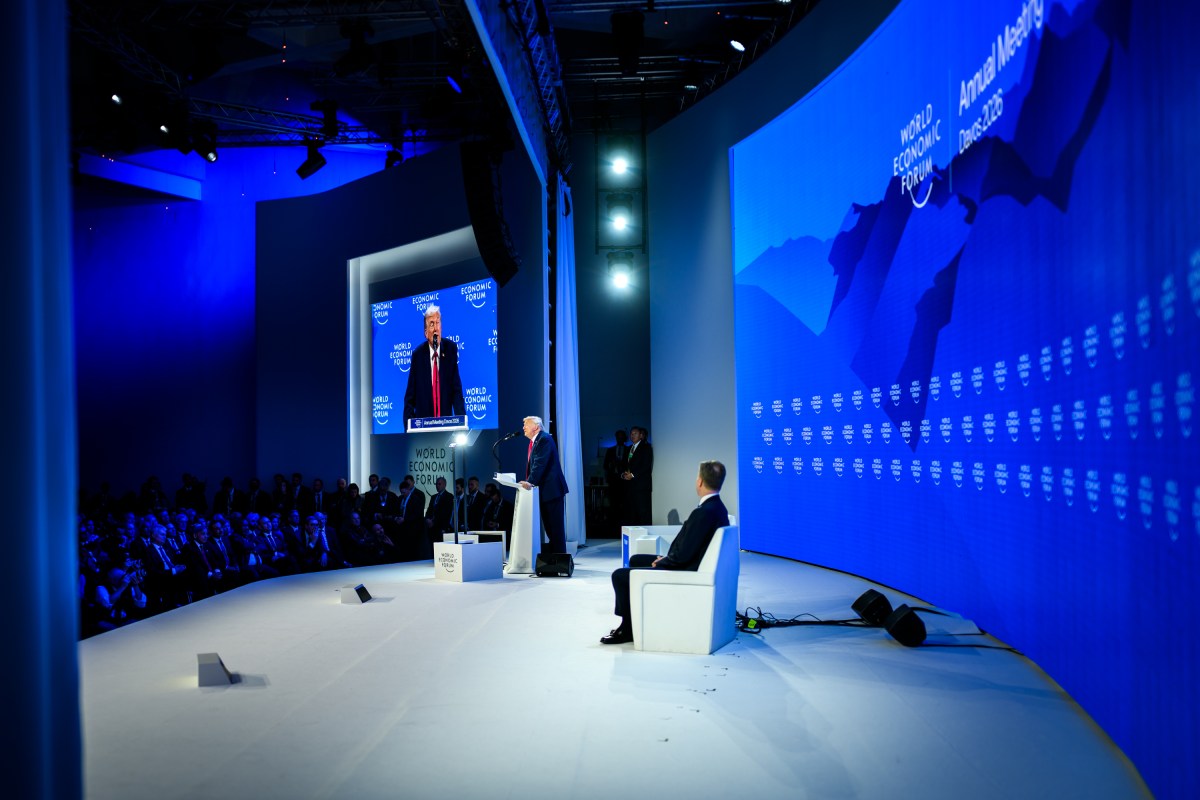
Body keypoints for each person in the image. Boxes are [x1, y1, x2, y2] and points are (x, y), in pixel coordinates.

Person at [601, 460, 729, 645]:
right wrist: (667, 558)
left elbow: (685, 553)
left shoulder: (704, 512)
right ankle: (633, 620)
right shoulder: (717, 508)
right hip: (690, 563)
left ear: (700, 481)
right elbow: (690, 548)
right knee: (636, 559)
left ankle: (627, 628)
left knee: (620, 576)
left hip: (686, 570)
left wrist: (664, 562)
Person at [403, 304, 465, 427]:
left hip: (445, 425)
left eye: (437, 323)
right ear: (426, 333)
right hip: (424, 428)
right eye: (431, 324)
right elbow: (410, 398)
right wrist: (409, 430)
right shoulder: (418, 356)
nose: (435, 328)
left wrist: (462, 424)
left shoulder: (450, 350)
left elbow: (456, 392)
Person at [518, 415, 569, 557]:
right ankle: (554, 559)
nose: (523, 428)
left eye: (526, 425)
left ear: (536, 426)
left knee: (555, 528)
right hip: (546, 492)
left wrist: (530, 481)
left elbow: (540, 464)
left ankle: (560, 560)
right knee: (550, 529)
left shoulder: (544, 439)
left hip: (552, 491)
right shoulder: (537, 441)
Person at [622, 425, 654, 525]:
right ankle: (634, 537)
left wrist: (633, 474)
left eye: (635, 433)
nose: (632, 435)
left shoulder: (646, 447)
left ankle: (646, 538)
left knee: (643, 513)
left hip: (641, 487)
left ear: (641, 435)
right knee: (632, 513)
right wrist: (623, 474)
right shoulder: (628, 448)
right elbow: (624, 464)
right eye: (631, 434)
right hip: (630, 487)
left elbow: (646, 465)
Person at [603, 429, 629, 532]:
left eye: (621, 436)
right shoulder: (610, 450)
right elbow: (605, 465)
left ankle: (623, 526)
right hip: (613, 481)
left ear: (624, 438)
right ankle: (613, 527)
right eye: (618, 436)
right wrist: (611, 467)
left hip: (624, 482)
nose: (619, 438)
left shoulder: (628, 449)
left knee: (624, 505)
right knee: (613, 504)